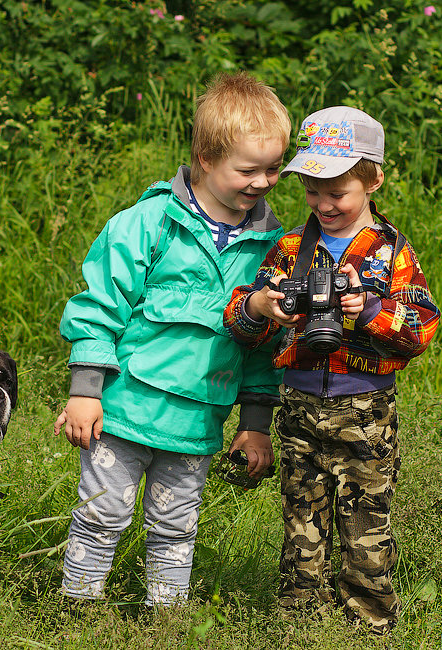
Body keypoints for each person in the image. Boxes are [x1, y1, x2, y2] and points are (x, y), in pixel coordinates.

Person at [53, 72, 291, 608]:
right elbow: (98, 308)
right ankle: (79, 613)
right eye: (248, 169)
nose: (263, 181)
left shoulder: (274, 248)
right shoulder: (149, 224)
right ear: (206, 158)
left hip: (196, 422)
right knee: (100, 516)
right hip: (121, 413)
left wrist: (255, 427)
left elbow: (265, 348)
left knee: (176, 528)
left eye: (273, 168)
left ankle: (166, 620)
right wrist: (85, 391)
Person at [223, 106, 440, 634]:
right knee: (301, 525)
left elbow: (420, 328)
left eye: (336, 192)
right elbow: (239, 319)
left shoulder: (390, 254)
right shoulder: (294, 249)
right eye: (312, 193)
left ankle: (368, 626)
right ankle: (300, 624)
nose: (323, 204)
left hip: (365, 410)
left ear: (373, 181)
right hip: (299, 408)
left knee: (365, 529)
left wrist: (367, 311)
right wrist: (261, 308)